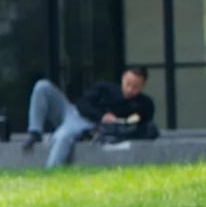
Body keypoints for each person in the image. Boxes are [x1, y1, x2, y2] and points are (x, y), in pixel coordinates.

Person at [24, 65, 157, 169]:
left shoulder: (144, 104)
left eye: (135, 87)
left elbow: (144, 126)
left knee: (63, 137)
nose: (130, 89)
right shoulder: (104, 88)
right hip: (76, 114)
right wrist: (102, 116)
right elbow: (83, 104)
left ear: (142, 86)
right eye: (128, 84)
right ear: (122, 78)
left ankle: (50, 173)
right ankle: (35, 131)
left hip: (89, 125)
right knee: (42, 86)